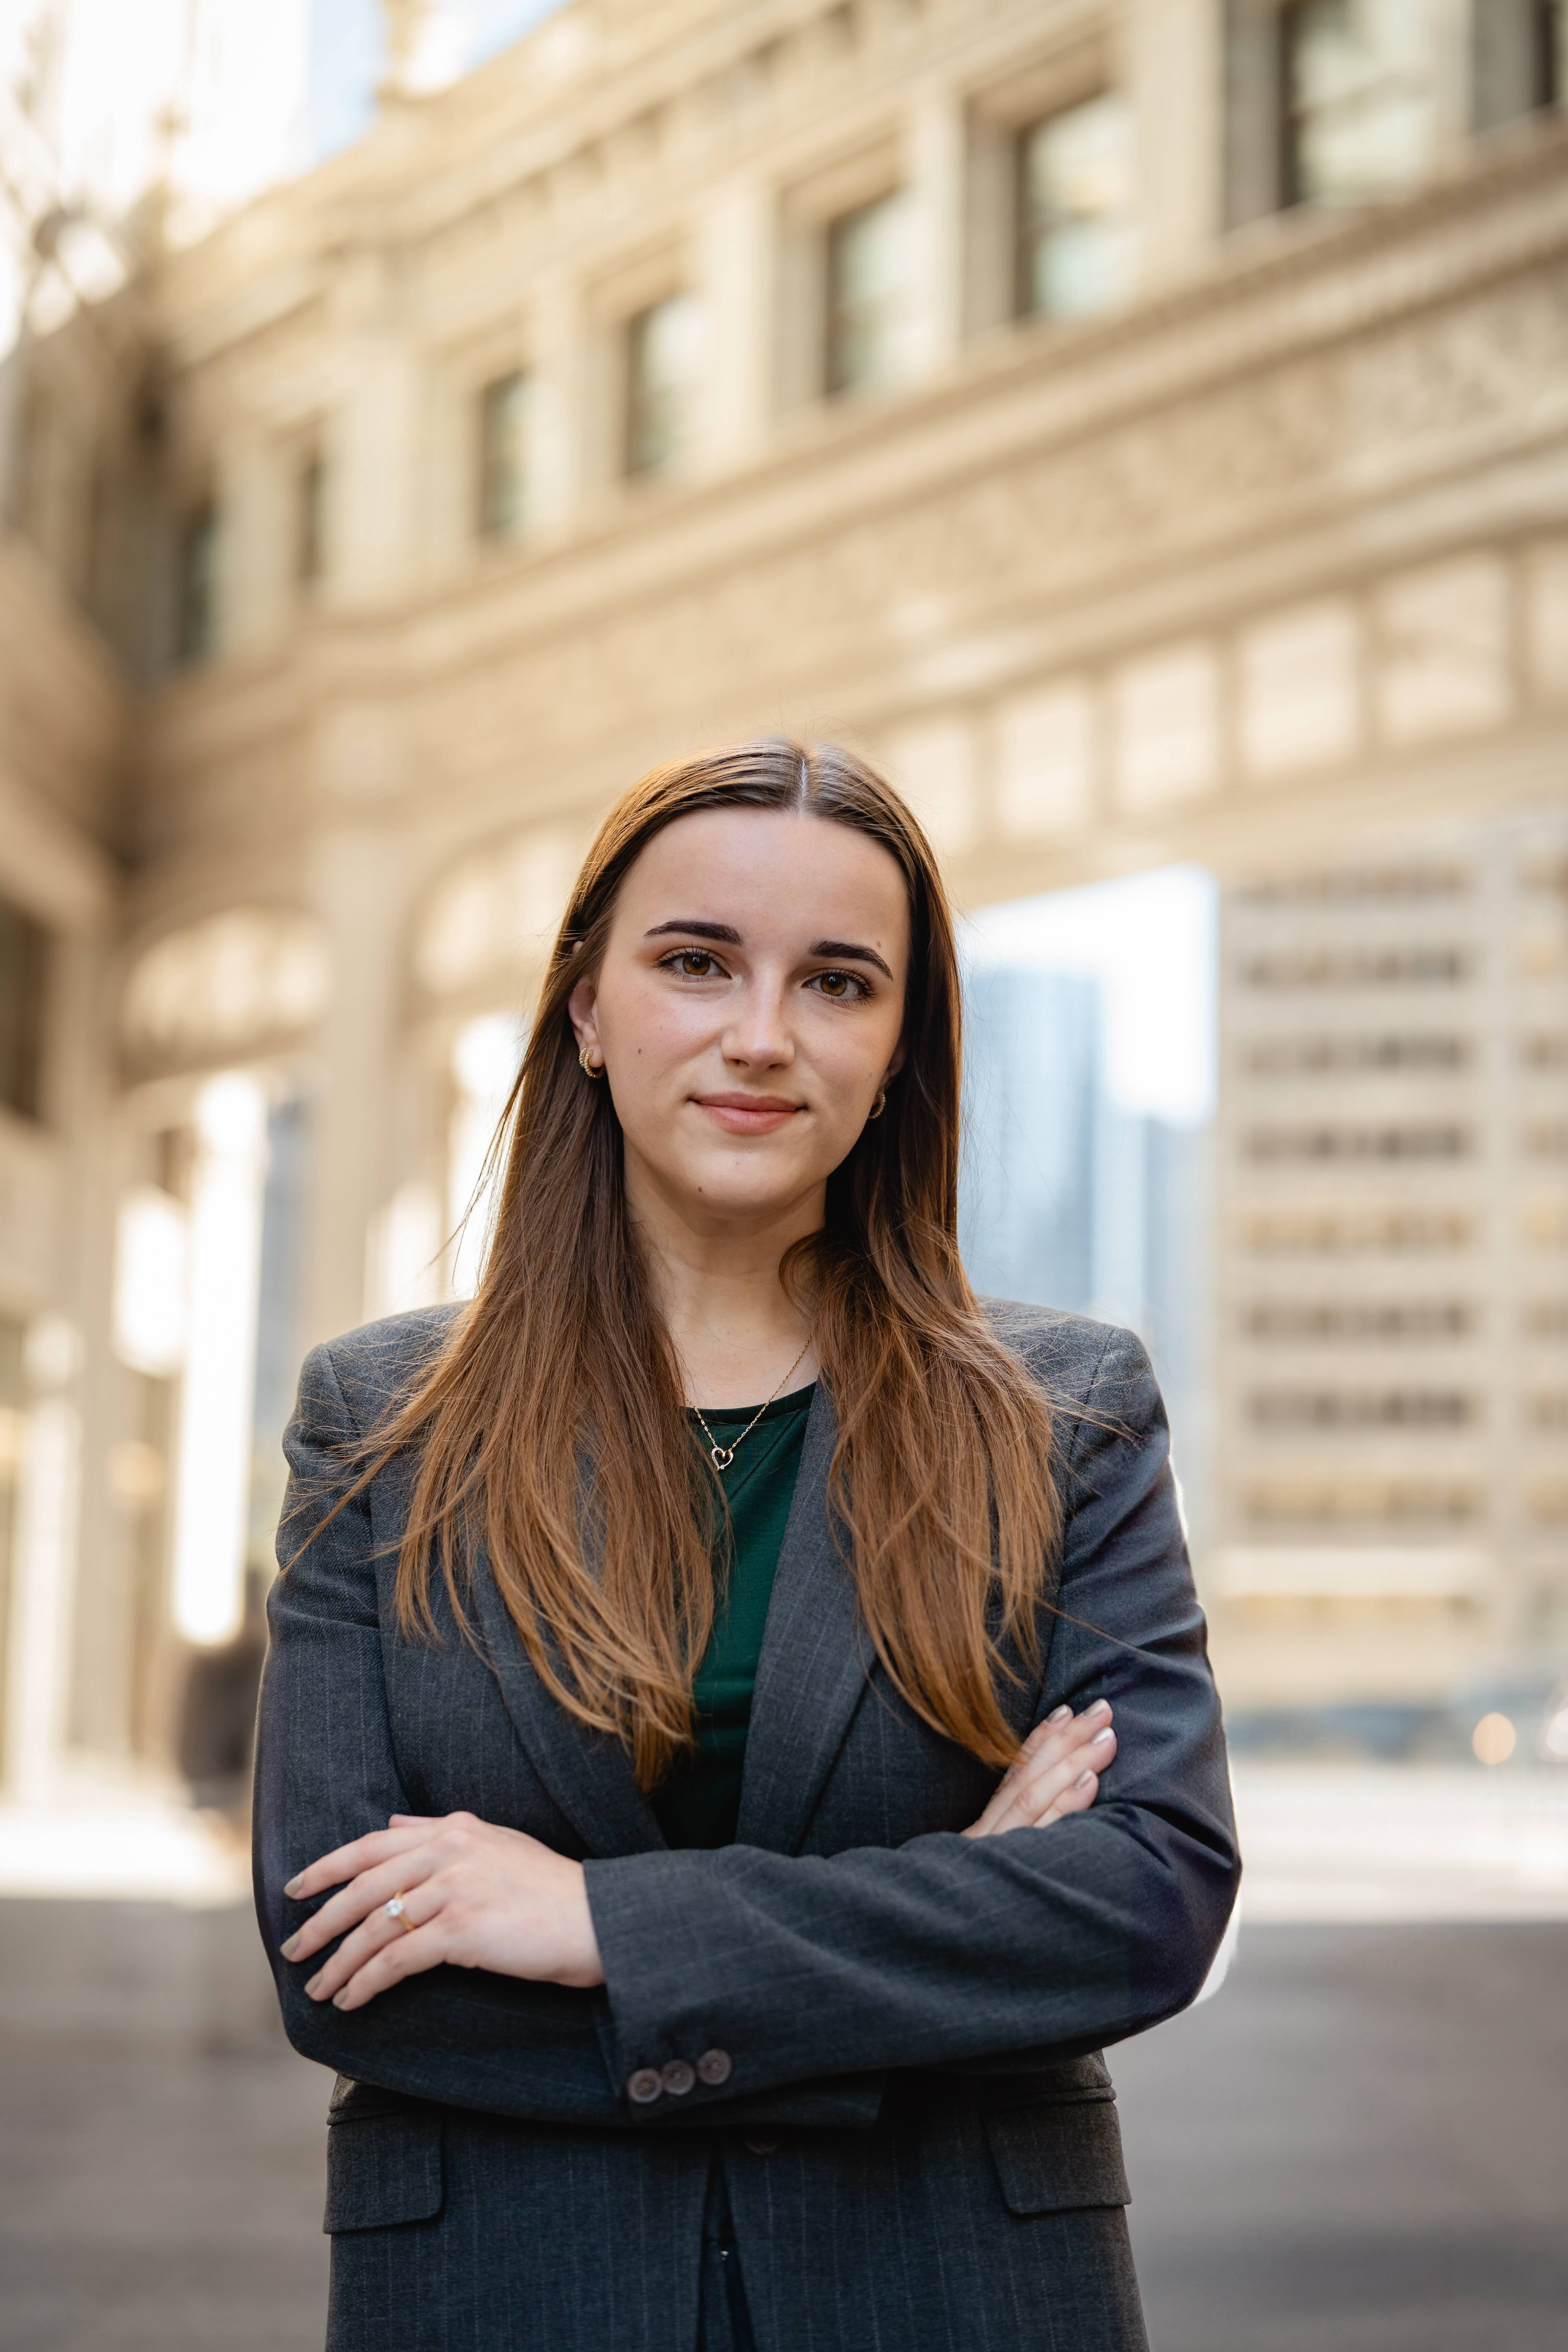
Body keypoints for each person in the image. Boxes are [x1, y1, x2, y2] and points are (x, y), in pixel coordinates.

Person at [254, 737, 1238, 2352]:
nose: (763, 1036)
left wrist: (595, 1927)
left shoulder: (1074, 1419)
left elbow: (1148, 1899)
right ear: (585, 1005)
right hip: (514, 2291)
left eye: (840, 982)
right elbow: (338, 1961)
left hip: (957, 2291)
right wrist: (963, 1913)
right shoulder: (379, 1424)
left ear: (903, 1036)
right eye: (697, 962)